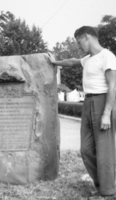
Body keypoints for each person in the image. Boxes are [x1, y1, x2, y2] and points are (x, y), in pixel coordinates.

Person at [48, 26, 116, 198]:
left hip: (102, 102)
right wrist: (55, 62)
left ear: (87, 37)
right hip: (88, 102)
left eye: (79, 42)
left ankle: (108, 190)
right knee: (85, 149)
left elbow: (113, 86)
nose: (79, 46)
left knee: (104, 150)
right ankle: (101, 183)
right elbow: (72, 61)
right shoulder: (88, 59)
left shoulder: (107, 56)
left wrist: (107, 113)